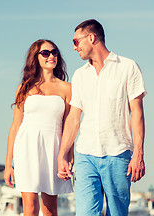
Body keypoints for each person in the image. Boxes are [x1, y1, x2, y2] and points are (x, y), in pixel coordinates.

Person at [57, 19, 147, 215]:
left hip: (118, 153)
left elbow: (137, 113)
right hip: (85, 155)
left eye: (76, 41)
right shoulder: (80, 75)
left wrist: (138, 154)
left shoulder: (128, 67)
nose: (74, 48)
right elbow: (74, 117)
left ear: (91, 37)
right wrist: (62, 154)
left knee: (117, 213)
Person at [4, 39, 73, 216]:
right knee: (30, 208)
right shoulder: (25, 87)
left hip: (53, 149)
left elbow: (69, 126)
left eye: (55, 52)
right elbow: (15, 126)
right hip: (26, 147)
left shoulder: (67, 88)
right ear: (36, 58)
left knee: (50, 211)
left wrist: (68, 155)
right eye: (46, 53)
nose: (51, 56)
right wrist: (7, 164)